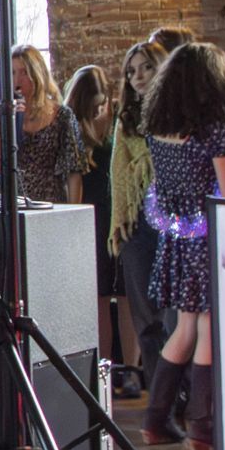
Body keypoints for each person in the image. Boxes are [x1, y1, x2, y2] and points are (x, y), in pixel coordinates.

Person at [138, 43, 225, 450]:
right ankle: (201, 426)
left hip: (175, 236)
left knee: (183, 327)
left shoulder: (158, 125)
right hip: (206, 235)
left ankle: (155, 420)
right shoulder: (212, 126)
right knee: (207, 329)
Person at [65, 64, 130, 393]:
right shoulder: (75, 129)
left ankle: (122, 368)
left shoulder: (113, 125)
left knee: (117, 294)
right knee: (105, 296)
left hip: (108, 215)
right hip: (96, 215)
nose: (102, 107)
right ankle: (113, 368)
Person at [110, 40, 168, 396]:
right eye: (131, 72)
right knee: (146, 316)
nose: (138, 77)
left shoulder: (177, 113)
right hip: (136, 221)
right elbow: (119, 175)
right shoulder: (126, 121)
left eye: (146, 67)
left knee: (174, 313)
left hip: (175, 221)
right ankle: (160, 392)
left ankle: (184, 390)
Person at [0, 45, 84, 205]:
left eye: (24, 73)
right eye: (12, 73)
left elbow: (74, 171)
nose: (17, 80)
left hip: (50, 202)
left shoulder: (62, 115)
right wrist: (0, 120)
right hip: (12, 204)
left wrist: (73, 214)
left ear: (37, 74)